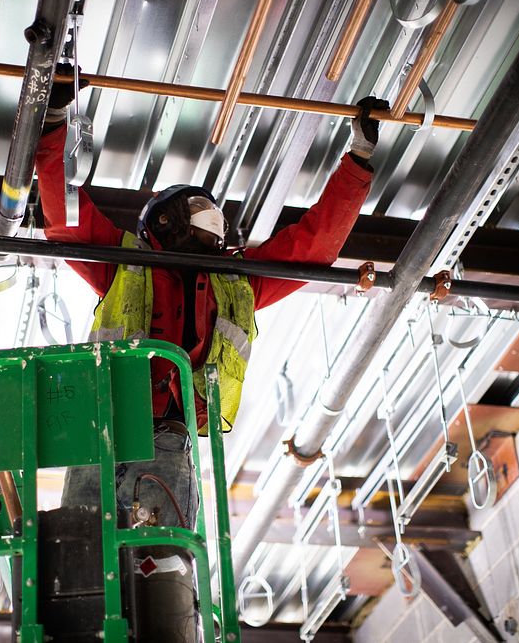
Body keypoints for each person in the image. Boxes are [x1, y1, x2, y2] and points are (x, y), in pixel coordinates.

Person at [35, 70, 387, 532]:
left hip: (172, 437)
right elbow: (64, 214)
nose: (215, 218)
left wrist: (359, 158)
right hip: (106, 426)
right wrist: (55, 119)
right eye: (200, 208)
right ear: (164, 220)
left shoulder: (237, 283)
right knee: (81, 545)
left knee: (162, 561)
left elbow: (314, 247)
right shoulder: (120, 259)